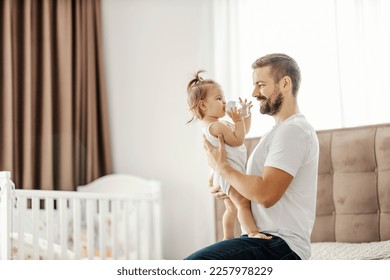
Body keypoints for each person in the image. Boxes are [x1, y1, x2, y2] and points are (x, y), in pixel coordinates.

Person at [185, 53, 319, 260]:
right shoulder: (276, 133)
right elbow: (248, 181)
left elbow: (265, 195)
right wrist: (223, 182)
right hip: (265, 239)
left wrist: (223, 170)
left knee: (194, 264)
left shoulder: (294, 131)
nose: (254, 93)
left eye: (260, 84)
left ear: (285, 83)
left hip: (280, 245)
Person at [186, 70, 271, 240]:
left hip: (224, 174)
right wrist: (238, 121)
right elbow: (239, 139)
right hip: (228, 175)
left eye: (223, 98)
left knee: (231, 208)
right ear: (203, 105)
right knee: (242, 204)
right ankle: (253, 232)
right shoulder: (216, 127)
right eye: (219, 99)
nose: (224, 102)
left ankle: (227, 237)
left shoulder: (216, 124)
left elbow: (243, 131)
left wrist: (244, 116)